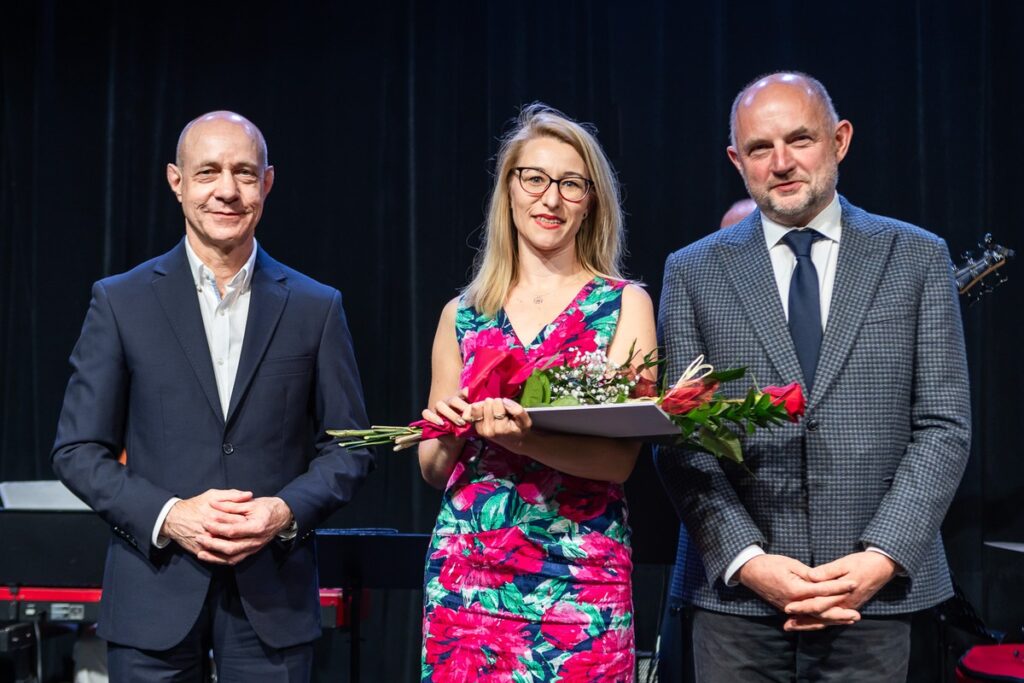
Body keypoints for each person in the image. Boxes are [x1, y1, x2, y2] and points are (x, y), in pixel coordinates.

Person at [655, 72, 971, 681]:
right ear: (736, 160)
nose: (781, 163)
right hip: (737, 602)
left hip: (877, 595)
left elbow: (944, 426)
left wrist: (880, 556)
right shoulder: (693, 271)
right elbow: (677, 439)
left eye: (800, 140)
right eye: (759, 148)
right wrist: (748, 561)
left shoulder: (916, 256)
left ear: (840, 140)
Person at [51, 111, 373, 681]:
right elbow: (77, 450)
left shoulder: (316, 306)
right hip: (152, 596)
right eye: (208, 172)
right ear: (176, 182)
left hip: (273, 600)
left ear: (267, 183)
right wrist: (170, 515)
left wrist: (282, 512)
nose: (227, 190)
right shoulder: (121, 302)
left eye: (244, 173)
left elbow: (349, 449)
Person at [416, 103, 657, 681]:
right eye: (535, 179)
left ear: (590, 201)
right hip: (468, 579)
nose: (551, 199)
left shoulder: (625, 304)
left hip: (581, 578)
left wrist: (521, 438)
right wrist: (449, 433)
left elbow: (619, 462)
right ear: (509, 190)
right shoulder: (461, 315)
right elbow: (431, 468)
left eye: (571, 184)